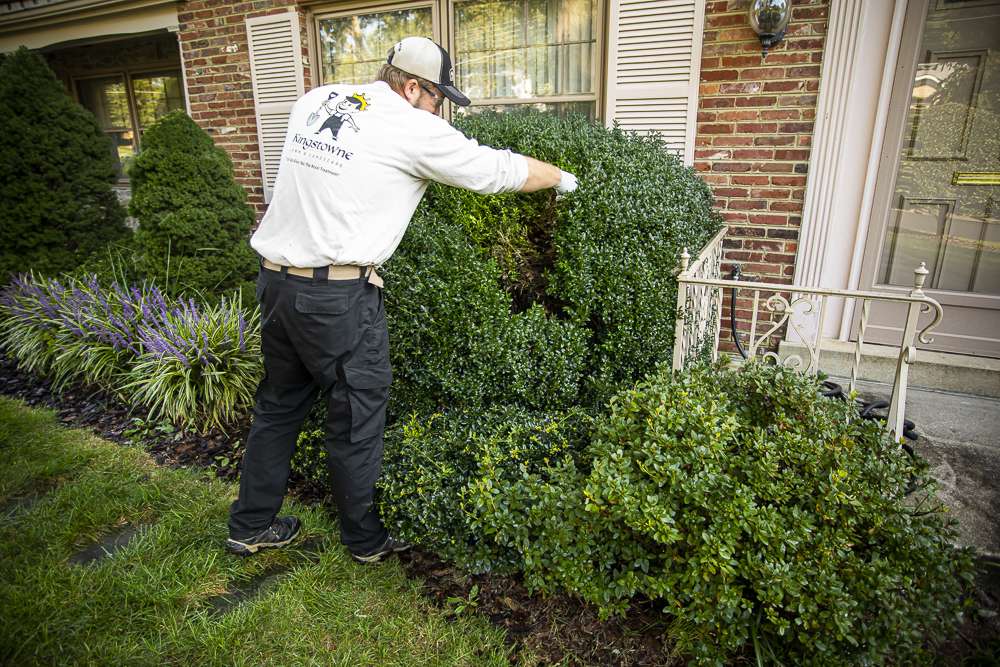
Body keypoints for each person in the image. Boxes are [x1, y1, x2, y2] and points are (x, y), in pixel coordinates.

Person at [226, 36, 578, 563]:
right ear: (413, 88)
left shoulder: (316, 99)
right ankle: (366, 541)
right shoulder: (409, 126)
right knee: (356, 415)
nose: (443, 114)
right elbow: (495, 171)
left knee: (279, 406)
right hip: (338, 298)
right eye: (440, 100)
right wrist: (564, 178)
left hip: (277, 284)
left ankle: (249, 526)